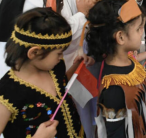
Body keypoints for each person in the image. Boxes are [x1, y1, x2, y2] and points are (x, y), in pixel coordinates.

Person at [85, 0, 146, 138]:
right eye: (139, 29)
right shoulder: (114, 89)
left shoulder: (128, 61)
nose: (143, 33)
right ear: (120, 37)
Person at [0, 8, 86, 138]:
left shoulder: (54, 68)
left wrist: (76, 66)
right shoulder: (7, 93)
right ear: (34, 53)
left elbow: (61, 87)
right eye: (58, 53)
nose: (61, 57)